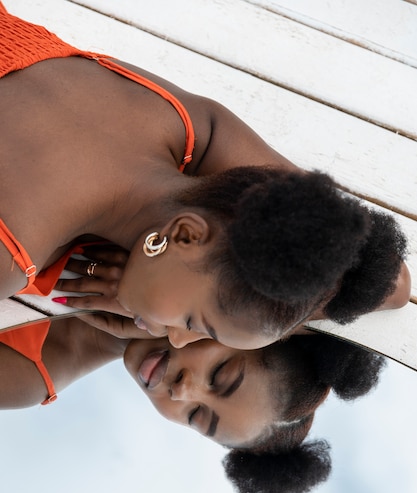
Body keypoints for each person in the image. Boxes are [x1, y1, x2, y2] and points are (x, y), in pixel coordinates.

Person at [0, 2, 411, 351]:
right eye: (196, 324)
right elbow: (391, 282)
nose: (176, 340)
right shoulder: (9, 259)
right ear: (185, 235)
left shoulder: (193, 126)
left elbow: (391, 281)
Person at [0, 303, 385, 493]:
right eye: (220, 375)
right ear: (250, 325)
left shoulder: (24, 377)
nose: (184, 392)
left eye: (197, 416)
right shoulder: (161, 233)